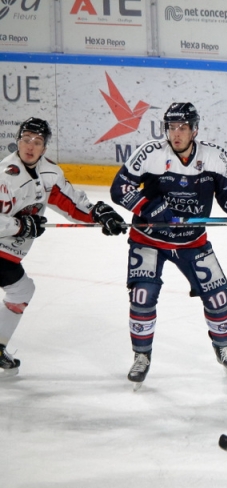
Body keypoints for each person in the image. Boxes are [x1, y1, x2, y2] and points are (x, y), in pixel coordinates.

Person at [110, 103, 227, 389]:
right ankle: (142, 356)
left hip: (192, 241)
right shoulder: (150, 153)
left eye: (182, 127)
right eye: (171, 127)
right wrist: (149, 208)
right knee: (143, 296)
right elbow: (119, 188)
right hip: (149, 239)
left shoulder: (214, 156)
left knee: (218, 294)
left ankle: (223, 348)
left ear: (195, 129)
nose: (176, 133)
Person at [0, 117, 126, 375]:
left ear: (44, 148)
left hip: (7, 255)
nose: (30, 146)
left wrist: (98, 214)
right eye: (26, 140)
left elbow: (70, 204)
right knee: (21, 290)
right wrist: (20, 227)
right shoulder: (5, 176)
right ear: (17, 141)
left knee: (22, 290)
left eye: (37, 142)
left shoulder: (49, 172)